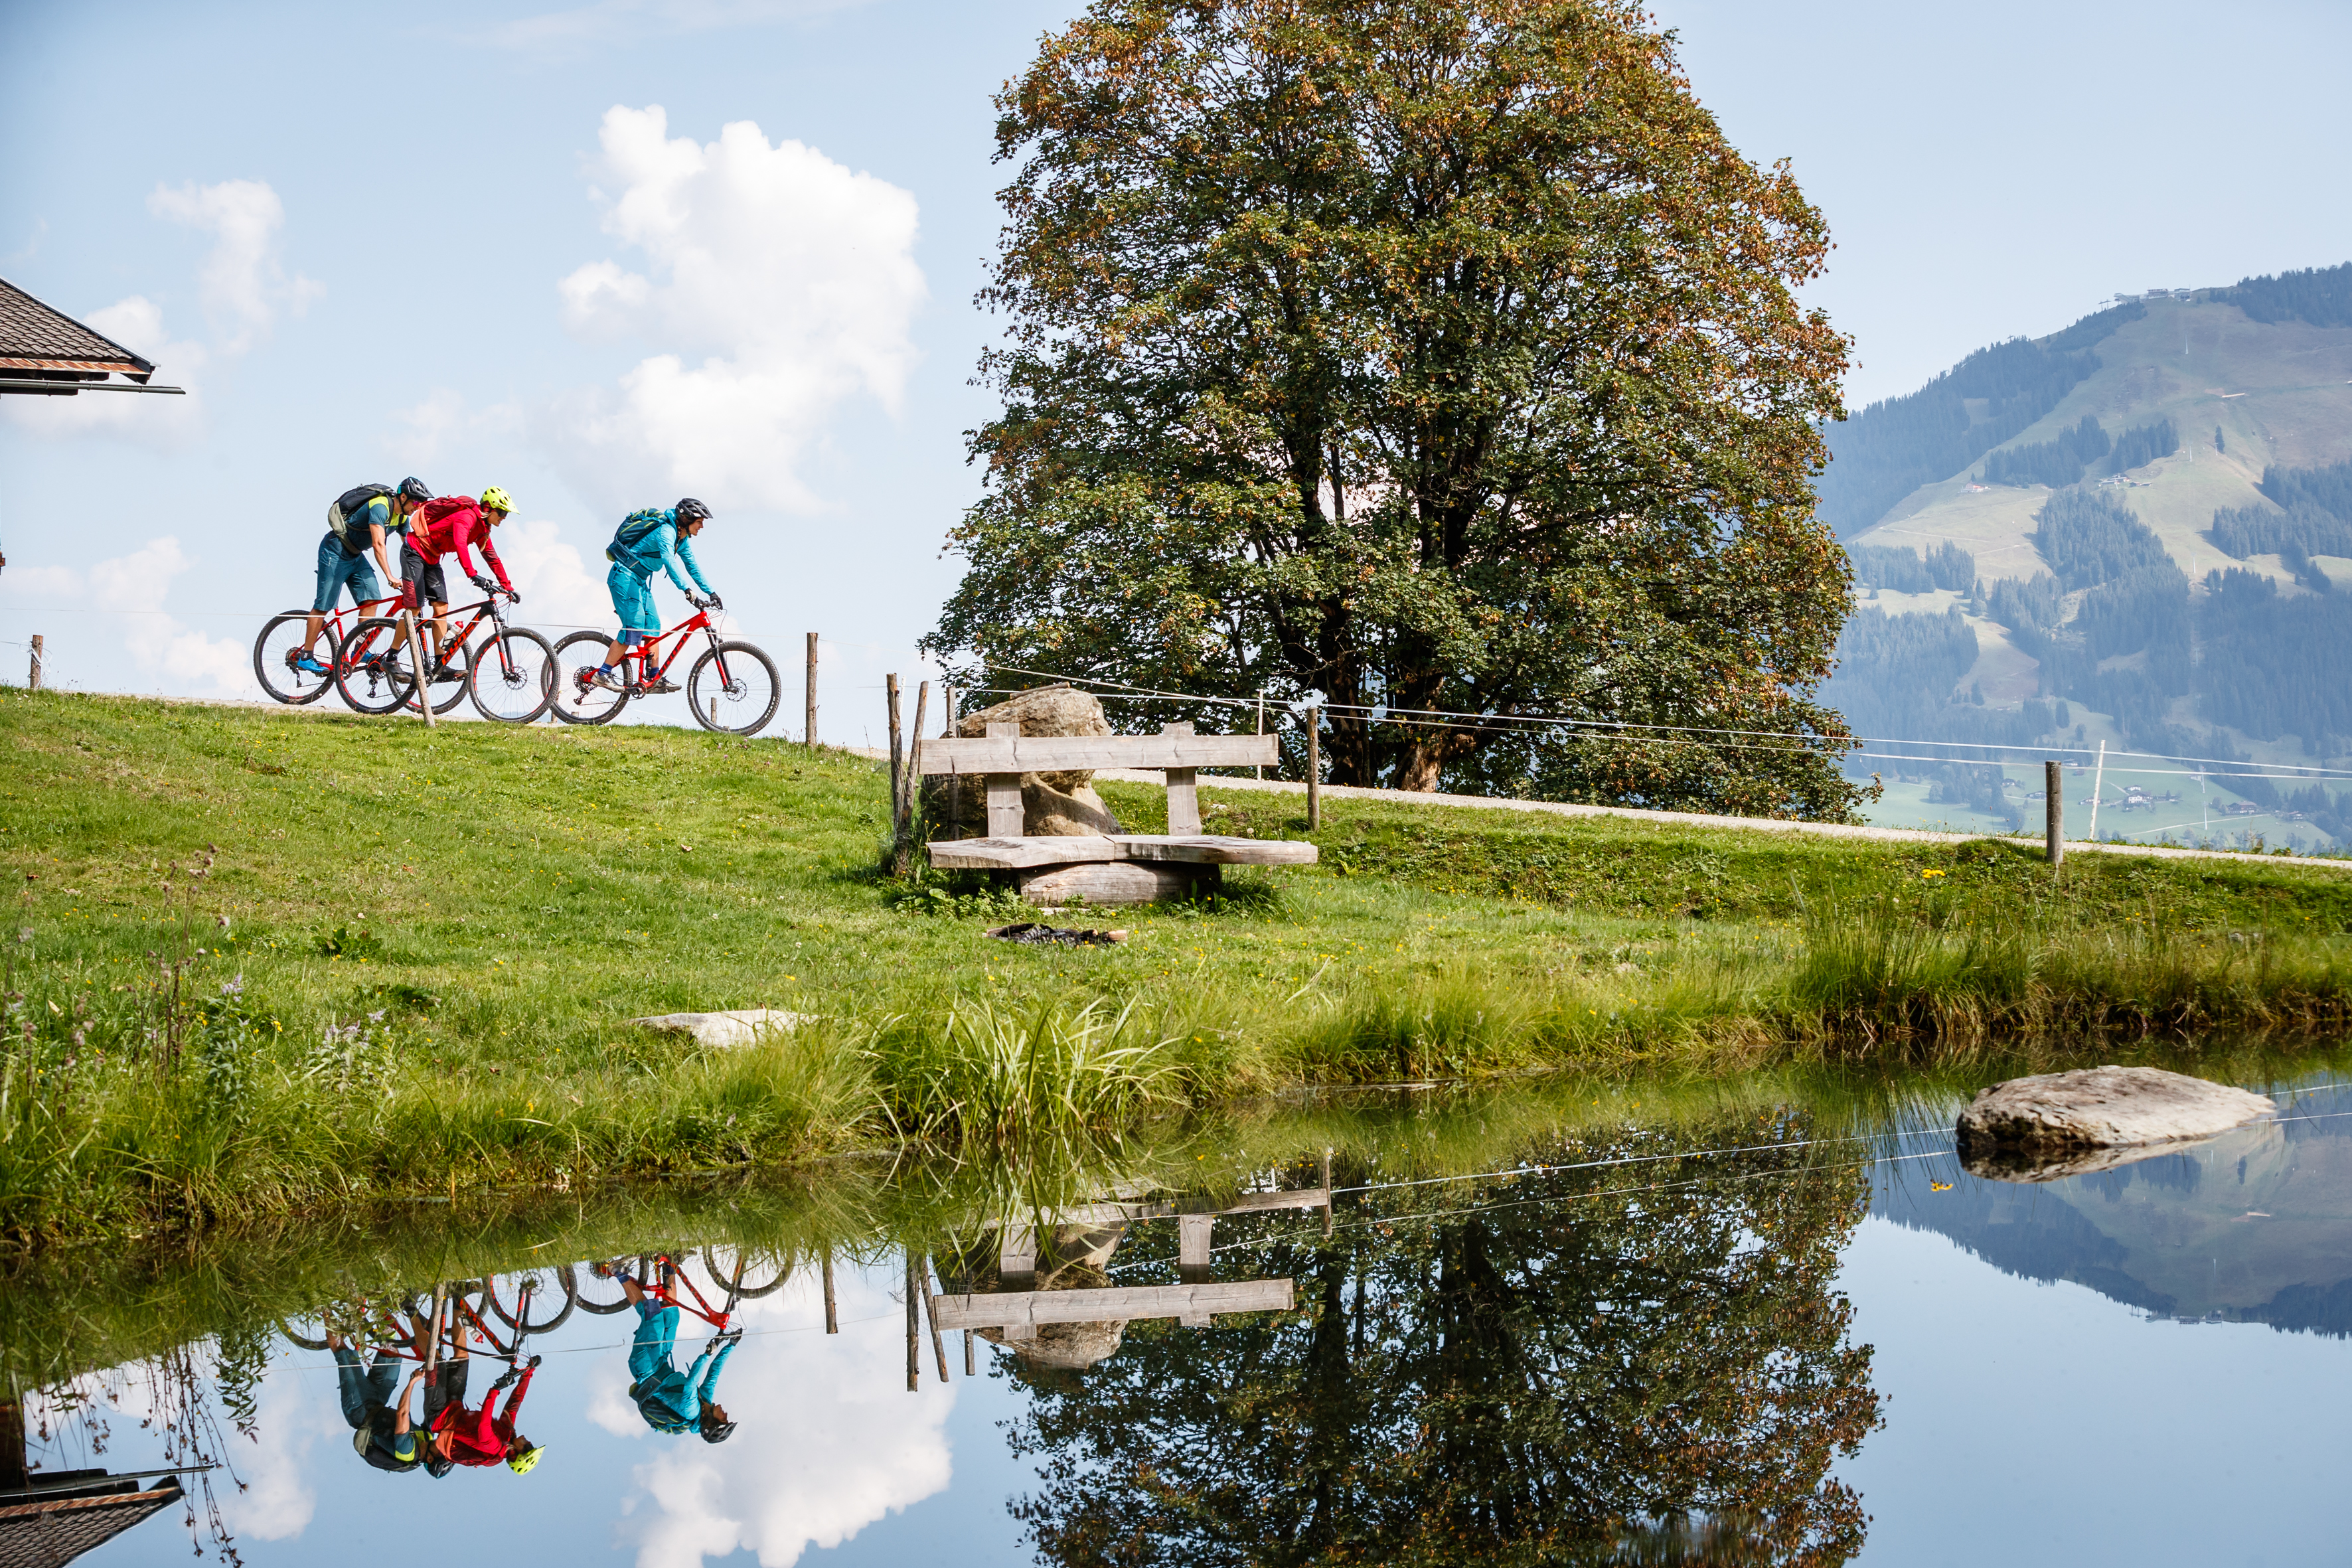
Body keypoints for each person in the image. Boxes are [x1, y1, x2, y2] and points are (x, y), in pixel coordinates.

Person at [579, 499, 717, 696]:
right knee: (633, 626)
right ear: (686, 519)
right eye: (699, 521)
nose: (702, 526)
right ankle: (602, 673)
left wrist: (711, 591)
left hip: (640, 581)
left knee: (653, 626)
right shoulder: (666, 532)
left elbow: (692, 566)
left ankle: (653, 678)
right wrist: (686, 589)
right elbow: (669, 561)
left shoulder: (682, 539)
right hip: (625, 577)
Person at [299, 478, 431, 674]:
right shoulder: (380, 506)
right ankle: (305, 656)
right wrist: (390, 576)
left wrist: (420, 577)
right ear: (403, 497)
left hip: (355, 555)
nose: (417, 507)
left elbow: (410, 548)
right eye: (416, 502)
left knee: (372, 599)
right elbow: (379, 544)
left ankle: (359, 651)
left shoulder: (402, 518)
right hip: (335, 550)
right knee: (324, 605)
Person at [402, 487, 518, 678]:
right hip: (414, 552)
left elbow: (492, 557)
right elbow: (460, 543)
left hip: (432, 558)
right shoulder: (466, 518)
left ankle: (440, 665)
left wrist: (508, 587)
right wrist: (472, 575)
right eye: (503, 512)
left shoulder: (483, 529)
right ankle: (391, 657)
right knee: (414, 607)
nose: (504, 517)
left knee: (442, 608)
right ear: (490, 508)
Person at [615, 1264, 738, 1442]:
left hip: (647, 1369)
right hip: (662, 1360)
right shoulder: (705, 1401)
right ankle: (669, 1265)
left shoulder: (691, 1411)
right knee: (672, 1315)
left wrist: (707, 1354)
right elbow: (714, 1374)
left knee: (654, 1317)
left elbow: (691, 1383)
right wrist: (731, 1345)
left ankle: (617, 1272)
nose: (725, 1414)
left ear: (711, 1422)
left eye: (723, 1419)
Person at [329, 1321, 430, 1474]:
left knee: (344, 1352)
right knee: (393, 1352)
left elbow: (402, 1413)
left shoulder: (408, 1451)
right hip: (379, 1401)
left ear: (430, 1458)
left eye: (441, 1452)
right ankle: (374, 1311)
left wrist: (412, 1382)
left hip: (360, 1411)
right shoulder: (428, 1437)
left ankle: (324, 1310)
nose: (442, 1448)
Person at [426, 1353, 544, 1474]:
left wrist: (495, 1390)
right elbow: (516, 1401)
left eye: (528, 1448)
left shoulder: (494, 1448)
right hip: (455, 1407)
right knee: (462, 1356)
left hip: (439, 1417)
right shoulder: (508, 1433)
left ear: (516, 1454)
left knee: (435, 1360)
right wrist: (529, 1372)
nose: (529, 1443)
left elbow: (484, 1424)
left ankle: (416, 1338)